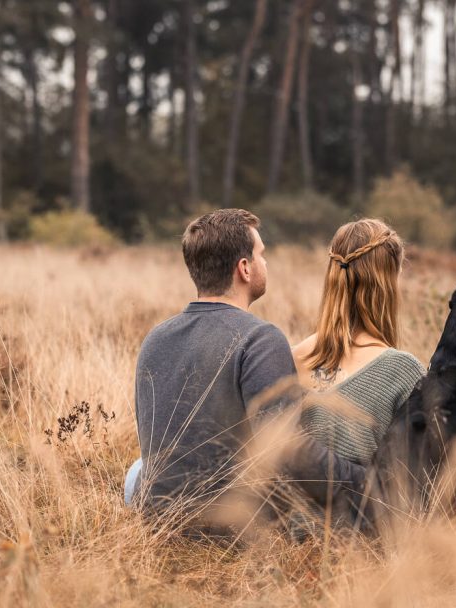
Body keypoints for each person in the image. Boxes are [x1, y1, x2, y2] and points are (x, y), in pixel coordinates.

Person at [124, 209, 368, 531]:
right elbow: (289, 452)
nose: (265, 262)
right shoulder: (260, 339)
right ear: (244, 268)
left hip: (156, 514)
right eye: (261, 255)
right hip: (230, 525)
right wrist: (369, 483)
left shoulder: (155, 338)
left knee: (136, 470)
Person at [292, 219, 426, 467]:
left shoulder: (291, 358)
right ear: (387, 284)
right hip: (364, 494)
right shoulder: (404, 371)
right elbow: (417, 478)